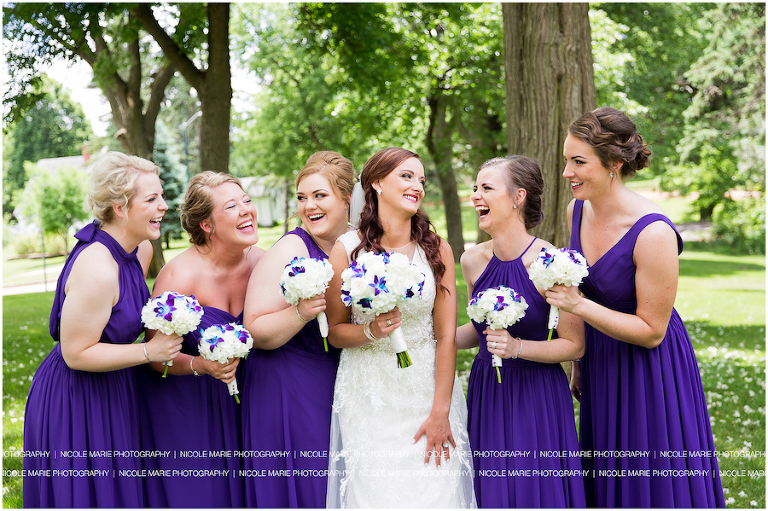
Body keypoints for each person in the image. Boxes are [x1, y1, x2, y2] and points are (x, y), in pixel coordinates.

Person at [547, 107, 725, 507]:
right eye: (566, 160)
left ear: (613, 163)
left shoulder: (654, 232)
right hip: (602, 360)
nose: (567, 172)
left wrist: (578, 306)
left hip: (649, 368)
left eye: (578, 162)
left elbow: (652, 331)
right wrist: (579, 363)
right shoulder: (577, 210)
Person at [22, 152, 182, 507]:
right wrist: (149, 352)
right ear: (120, 208)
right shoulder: (98, 268)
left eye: (161, 196)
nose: (164, 206)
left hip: (115, 384)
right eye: (152, 199)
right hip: (77, 395)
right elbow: (76, 353)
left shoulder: (140, 250)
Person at [324, 147, 475, 508]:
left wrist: (440, 411)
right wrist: (372, 331)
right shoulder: (347, 250)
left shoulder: (437, 250)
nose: (417, 186)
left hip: (427, 390)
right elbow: (336, 332)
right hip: (369, 394)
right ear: (376, 183)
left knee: (436, 494)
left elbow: (446, 336)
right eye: (406, 176)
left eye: (421, 179)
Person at [456, 155, 586, 507]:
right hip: (488, 390)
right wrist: (430, 341)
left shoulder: (551, 263)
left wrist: (517, 348)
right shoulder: (471, 261)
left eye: (487, 188)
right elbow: (478, 330)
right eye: (475, 188)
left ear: (518, 197)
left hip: (536, 394)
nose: (476, 196)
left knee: (533, 490)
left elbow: (574, 345)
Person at [136, 171, 264, 507]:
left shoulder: (264, 264)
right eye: (231, 206)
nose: (246, 210)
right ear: (206, 225)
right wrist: (201, 364)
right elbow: (156, 356)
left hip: (251, 399)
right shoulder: (179, 275)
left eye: (246, 201)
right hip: (190, 406)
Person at [240, 151, 355, 508]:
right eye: (302, 197)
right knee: (310, 486)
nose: (309, 206)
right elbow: (255, 328)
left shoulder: (358, 244)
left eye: (320, 195)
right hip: (289, 384)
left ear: (347, 198)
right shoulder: (293, 247)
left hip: (342, 378)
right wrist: (301, 312)